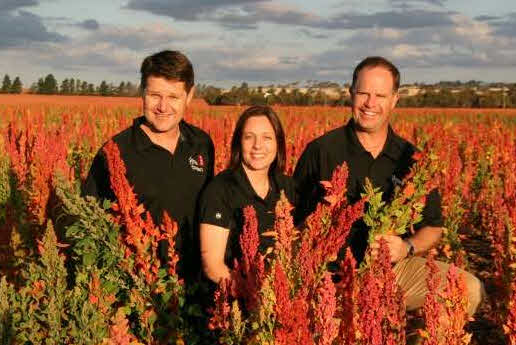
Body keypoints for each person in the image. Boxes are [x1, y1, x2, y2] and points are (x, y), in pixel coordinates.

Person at [293, 56, 484, 317]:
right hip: (330, 276)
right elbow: (293, 220)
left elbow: (433, 226)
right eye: (363, 93)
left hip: (390, 271)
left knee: (466, 289)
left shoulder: (411, 159)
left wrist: (407, 247)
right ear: (350, 94)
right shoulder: (322, 151)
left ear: (395, 99)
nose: (370, 103)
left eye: (380, 95)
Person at [82, 50, 215, 280]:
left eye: (173, 97)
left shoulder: (201, 143)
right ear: (142, 92)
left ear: (190, 96)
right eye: (155, 95)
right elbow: (89, 220)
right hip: (139, 286)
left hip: (196, 286)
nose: (163, 107)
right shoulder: (115, 151)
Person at [198, 106, 296, 283]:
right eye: (249, 137)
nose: (258, 145)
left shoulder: (287, 186)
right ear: (238, 142)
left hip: (278, 299)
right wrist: (254, 297)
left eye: (267, 137)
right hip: (237, 298)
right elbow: (213, 266)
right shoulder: (221, 189)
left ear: (278, 143)